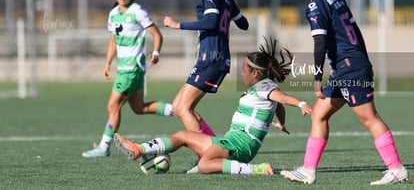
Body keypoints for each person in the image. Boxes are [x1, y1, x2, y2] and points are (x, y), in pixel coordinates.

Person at [280, 0, 408, 185]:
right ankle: (308, 169)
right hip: (347, 68)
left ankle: (396, 168)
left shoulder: (316, 4)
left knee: (369, 118)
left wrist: (317, 78)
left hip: (349, 68)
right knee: (319, 115)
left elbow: (319, 42)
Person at [113, 37, 313, 175]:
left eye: (244, 70)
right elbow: (277, 103)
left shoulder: (265, 86)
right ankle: (139, 149)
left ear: (255, 73)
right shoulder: (264, 87)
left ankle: (258, 169)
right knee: (183, 136)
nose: (241, 73)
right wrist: (281, 122)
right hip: (233, 140)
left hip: (243, 143)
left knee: (205, 164)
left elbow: (282, 97)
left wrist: (301, 103)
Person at [82, 0, 173, 158]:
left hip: (133, 68)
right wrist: (107, 63)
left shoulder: (137, 11)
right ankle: (176, 110)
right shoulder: (113, 13)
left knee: (112, 105)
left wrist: (155, 54)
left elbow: (157, 34)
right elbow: (113, 41)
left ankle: (103, 146)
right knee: (138, 108)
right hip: (124, 68)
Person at [163, 0, 249, 139]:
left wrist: (179, 25)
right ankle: (213, 148)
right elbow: (244, 23)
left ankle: (206, 154)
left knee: (183, 108)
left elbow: (210, 22)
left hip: (211, 57)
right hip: (215, 56)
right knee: (179, 108)